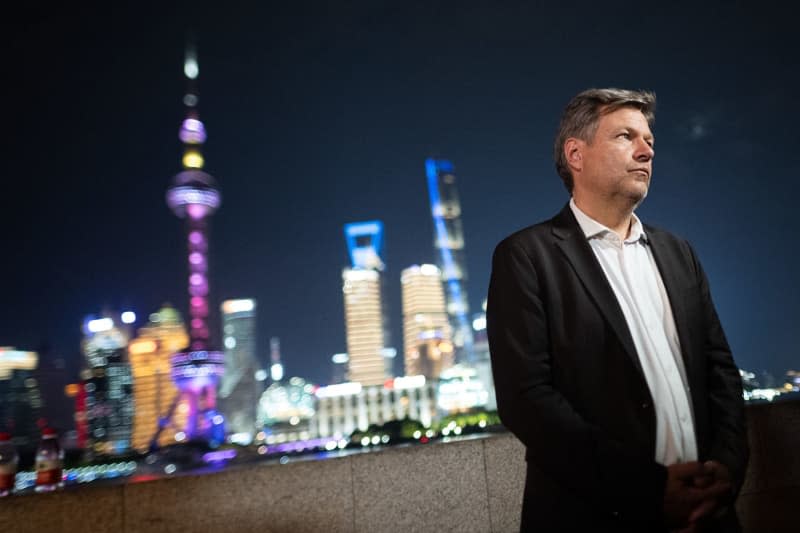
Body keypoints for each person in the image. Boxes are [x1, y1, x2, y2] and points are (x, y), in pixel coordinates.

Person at [486, 88, 748, 532]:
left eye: (650, 141)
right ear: (576, 154)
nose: (646, 150)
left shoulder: (679, 252)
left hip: (708, 515)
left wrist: (725, 470)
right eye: (626, 136)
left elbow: (720, 371)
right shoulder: (526, 257)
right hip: (599, 517)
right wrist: (650, 490)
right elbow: (526, 400)